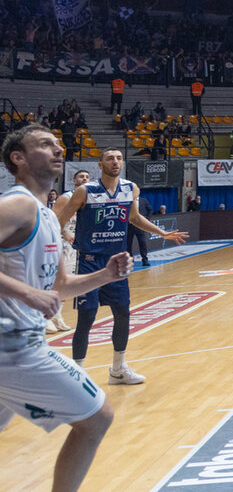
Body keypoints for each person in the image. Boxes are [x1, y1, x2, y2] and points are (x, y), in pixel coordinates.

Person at [0, 124, 134, 492]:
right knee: (98, 417)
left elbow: (60, 288)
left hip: (14, 346)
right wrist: (28, 294)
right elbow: (39, 293)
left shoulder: (45, 215)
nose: (58, 149)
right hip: (14, 347)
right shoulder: (18, 203)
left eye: (59, 144)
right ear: (18, 158)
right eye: (45, 145)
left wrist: (106, 275)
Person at [57, 149, 188, 385]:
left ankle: (118, 370)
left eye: (118, 158)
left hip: (117, 262)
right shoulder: (84, 191)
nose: (115, 162)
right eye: (110, 158)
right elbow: (59, 219)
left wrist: (163, 233)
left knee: (123, 314)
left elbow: (135, 218)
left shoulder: (130, 188)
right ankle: (77, 375)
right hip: (90, 262)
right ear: (100, 164)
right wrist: (66, 233)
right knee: (87, 317)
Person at [49, 169, 93, 334]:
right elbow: (51, 219)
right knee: (55, 282)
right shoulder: (66, 198)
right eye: (81, 176)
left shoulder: (90, 199)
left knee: (67, 284)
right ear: (74, 181)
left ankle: (57, 316)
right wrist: (64, 232)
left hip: (77, 245)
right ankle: (45, 318)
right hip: (60, 243)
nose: (84, 178)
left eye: (87, 176)